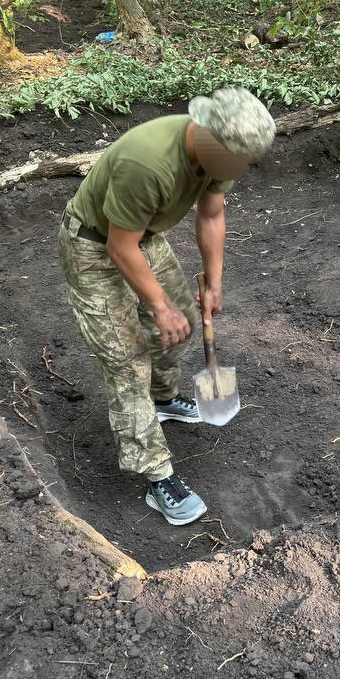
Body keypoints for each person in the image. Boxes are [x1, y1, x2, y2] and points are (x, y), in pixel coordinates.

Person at [57, 87, 276, 526]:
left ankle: (163, 397)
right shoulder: (148, 162)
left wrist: (214, 281)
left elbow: (211, 215)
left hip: (144, 238)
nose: (240, 171)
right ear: (210, 139)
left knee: (182, 324)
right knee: (127, 363)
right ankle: (157, 474)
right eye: (238, 162)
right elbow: (119, 248)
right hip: (94, 246)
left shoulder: (225, 155)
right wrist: (157, 305)